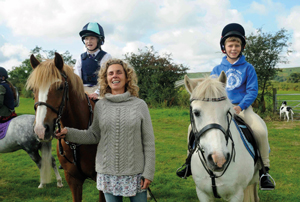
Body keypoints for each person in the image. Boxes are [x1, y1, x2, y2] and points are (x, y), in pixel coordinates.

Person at [176, 23, 275, 191]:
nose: (234, 48)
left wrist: (240, 107)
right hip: (220, 109)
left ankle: (264, 170)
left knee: (260, 130)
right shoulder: (217, 69)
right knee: (190, 129)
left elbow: (252, 91)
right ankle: (188, 163)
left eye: (237, 45)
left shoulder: (248, 68)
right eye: (230, 45)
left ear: (242, 47)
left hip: (242, 108)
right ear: (224, 47)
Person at [56, 58, 155, 202]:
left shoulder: (140, 105)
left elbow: (149, 142)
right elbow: (93, 135)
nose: (114, 76)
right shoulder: (101, 106)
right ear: (106, 79)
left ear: (127, 77)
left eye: (119, 72)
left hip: (136, 174)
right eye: (110, 73)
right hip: (108, 175)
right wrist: (69, 133)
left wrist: (148, 172)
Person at [74, 22, 112, 100]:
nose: (89, 41)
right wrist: (82, 91)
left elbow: (105, 77)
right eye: (86, 38)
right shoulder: (80, 57)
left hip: (100, 90)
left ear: (99, 40)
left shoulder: (106, 56)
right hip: (83, 90)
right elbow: (77, 77)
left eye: (92, 38)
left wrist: (96, 93)